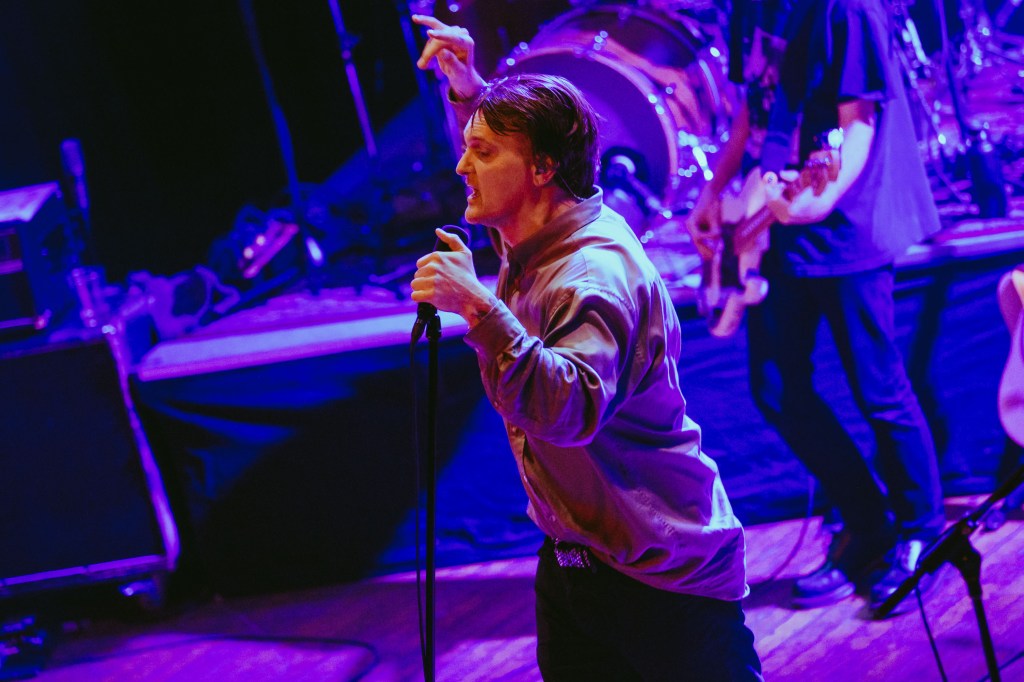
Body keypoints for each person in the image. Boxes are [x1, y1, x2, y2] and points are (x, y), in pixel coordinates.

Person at [410, 14, 763, 680]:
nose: (462, 165)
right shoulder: (535, 234)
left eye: (482, 151)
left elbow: (566, 412)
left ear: (543, 168)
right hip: (577, 558)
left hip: (660, 574)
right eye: (469, 146)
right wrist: (468, 91)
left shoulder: (593, 275)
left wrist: (479, 309)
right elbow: (516, 159)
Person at [686, 0, 946, 616]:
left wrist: (820, 202)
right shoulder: (748, 8)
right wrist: (714, 190)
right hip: (777, 220)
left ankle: (923, 533)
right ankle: (868, 523)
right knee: (777, 390)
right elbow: (756, 109)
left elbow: (858, 127)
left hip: (847, 224)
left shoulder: (846, 10)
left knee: (878, 389)